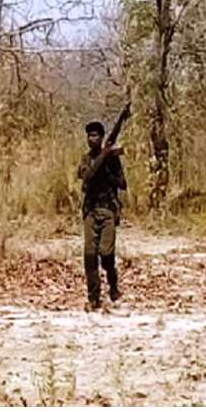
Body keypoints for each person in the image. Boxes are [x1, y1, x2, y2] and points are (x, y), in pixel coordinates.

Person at [77, 120, 127, 312]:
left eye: (96, 135)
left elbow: (123, 184)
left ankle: (113, 287)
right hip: (91, 210)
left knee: (106, 255)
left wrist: (108, 171)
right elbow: (87, 176)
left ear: (102, 137)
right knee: (90, 255)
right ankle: (94, 297)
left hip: (108, 211)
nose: (92, 139)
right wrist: (103, 156)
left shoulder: (112, 159)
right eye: (89, 135)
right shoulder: (86, 159)